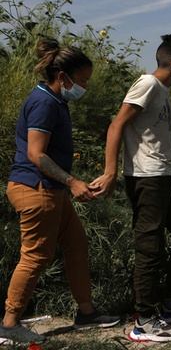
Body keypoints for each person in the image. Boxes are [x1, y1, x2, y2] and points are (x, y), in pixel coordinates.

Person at [2, 40, 120, 345]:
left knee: (76, 244)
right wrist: (73, 182)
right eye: (81, 81)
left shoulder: (56, 100)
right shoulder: (44, 102)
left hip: (51, 190)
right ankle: (9, 323)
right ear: (62, 76)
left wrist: (68, 184)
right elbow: (36, 154)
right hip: (36, 189)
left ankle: (86, 313)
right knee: (35, 257)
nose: (84, 87)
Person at [92, 34, 171, 342]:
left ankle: (170, 302)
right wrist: (111, 171)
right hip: (146, 178)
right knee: (150, 249)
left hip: (164, 177)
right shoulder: (147, 85)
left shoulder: (163, 91)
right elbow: (116, 125)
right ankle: (143, 320)